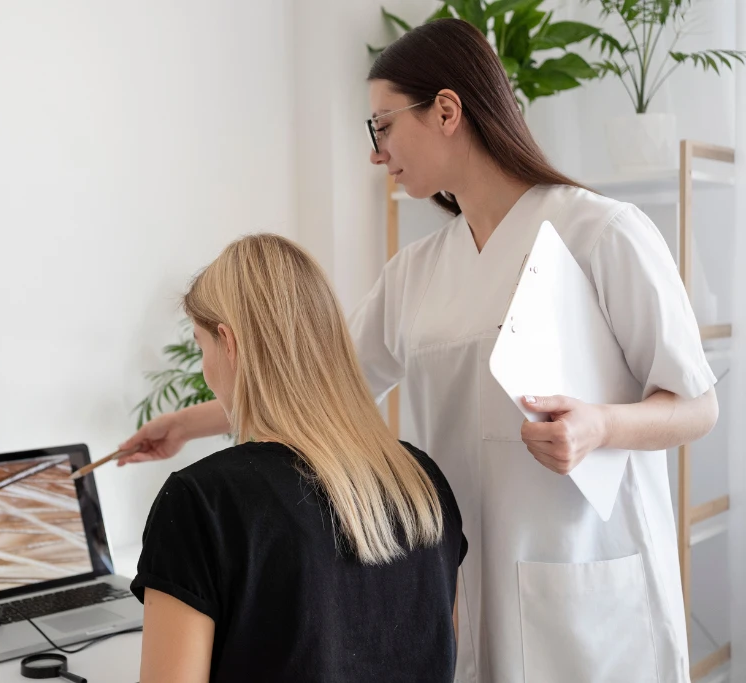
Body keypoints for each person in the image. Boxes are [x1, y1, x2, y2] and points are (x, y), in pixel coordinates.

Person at [120, 18, 718, 683]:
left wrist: (601, 425)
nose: (376, 153)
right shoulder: (415, 273)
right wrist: (186, 424)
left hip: (586, 575)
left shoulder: (601, 231)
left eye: (383, 126)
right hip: (460, 578)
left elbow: (696, 406)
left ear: (446, 110)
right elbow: (314, 386)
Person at [129, 234, 467, 683]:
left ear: (227, 343)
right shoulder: (421, 482)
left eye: (200, 346)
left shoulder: (201, 503)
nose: (205, 368)